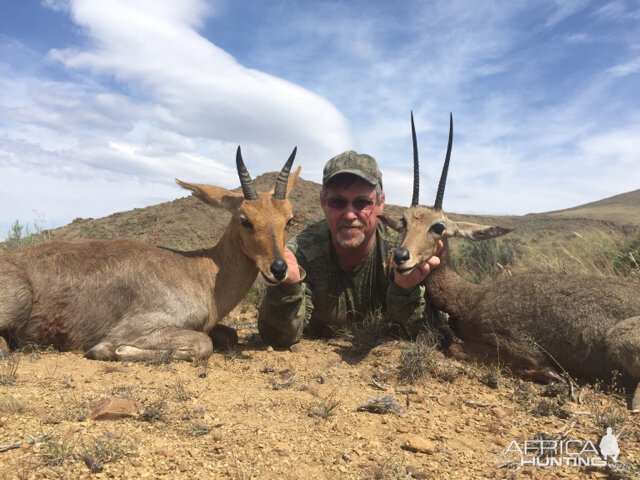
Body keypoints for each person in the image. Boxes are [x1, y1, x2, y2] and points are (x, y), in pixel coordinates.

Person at [258, 150, 447, 348]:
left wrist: (405, 290)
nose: (349, 214)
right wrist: (288, 288)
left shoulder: (405, 251)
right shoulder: (300, 254)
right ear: (323, 202)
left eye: (362, 202)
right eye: (337, 202)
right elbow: (277, 338)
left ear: (380, 203)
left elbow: (433, 336)